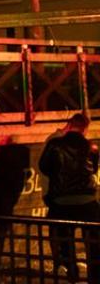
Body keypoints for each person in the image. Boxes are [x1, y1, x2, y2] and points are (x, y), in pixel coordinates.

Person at [38, 112, 100, 281]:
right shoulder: (92, 147)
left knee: (65, 241)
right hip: (87, 201)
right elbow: (94, 169)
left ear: (70, 125)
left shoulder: (54, 145)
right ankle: (95, 276)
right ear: (85, 129)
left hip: (62, 201)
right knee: (94, 242)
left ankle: (72, 274)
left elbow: (44, 167)